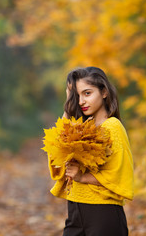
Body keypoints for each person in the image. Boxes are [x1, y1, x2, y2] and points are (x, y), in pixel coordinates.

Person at [49, 67, 134, 236]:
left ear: (104, 92)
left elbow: (120, 174)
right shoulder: (79, 128)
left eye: (87, 93)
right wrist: (68, 106)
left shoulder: (112, 126)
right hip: (75, 209)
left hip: (103, 213)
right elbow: (55, 152)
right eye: (77, 95)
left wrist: (82, 177)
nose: (81, 101)